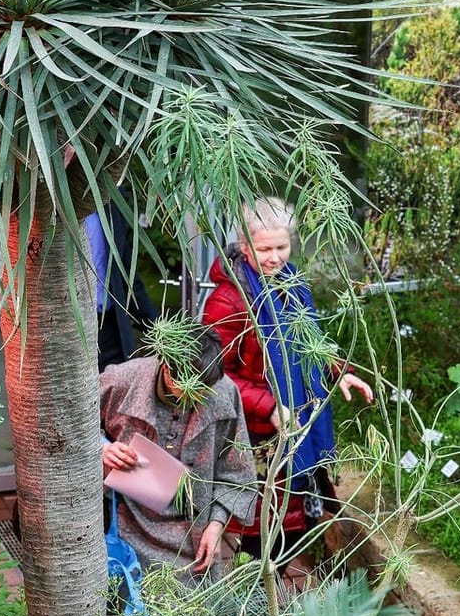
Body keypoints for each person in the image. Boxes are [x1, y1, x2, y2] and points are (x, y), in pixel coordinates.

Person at [201, 197, 372, 563]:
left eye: (282, 246)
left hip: (298, 421)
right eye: (264, 249)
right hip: (256, 436)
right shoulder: (227, 302)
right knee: (258, 528)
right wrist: (268, 407)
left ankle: (281, 590)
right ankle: (261, 599)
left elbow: (309, 342)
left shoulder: (292, 281)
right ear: (244, 246)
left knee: (291, 526)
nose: (275, 257)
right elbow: (215, 375)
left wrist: (339, 372)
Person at [99, 324, 256, 576]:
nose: (195, 398)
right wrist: (102, 449)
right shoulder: (122, 380)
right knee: (131, 606)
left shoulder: (224, 391)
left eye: (203, 390)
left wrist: (216, 526)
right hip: (127, 524)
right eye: (187, 389)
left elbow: (238, 474)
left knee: (199, 611)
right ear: (166, 366)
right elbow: (68, 422)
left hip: (194, 534)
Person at [85, 199, 158, 371]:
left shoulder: (111, 201)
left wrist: (159, 330)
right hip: (64, 332)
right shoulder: (46, 202)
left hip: (110, 325)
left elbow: (125, 274)